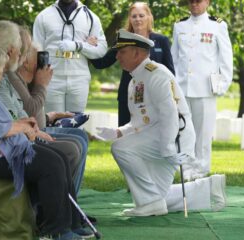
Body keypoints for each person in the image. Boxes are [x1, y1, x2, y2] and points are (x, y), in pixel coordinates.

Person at [0, 42, 87, 240]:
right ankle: (55, 230)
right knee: (51, 165)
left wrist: (20, 122)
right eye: (2, 69)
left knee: (59, 158)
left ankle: (71, 223)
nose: (3, 73)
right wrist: (22, 127)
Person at [96, 29, 226, 217]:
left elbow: (170, 115)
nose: (117, 56)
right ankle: (211, 188)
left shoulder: (156, 74)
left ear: (137, 53)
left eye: (121, 52)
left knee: (121, 149)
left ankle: (150, 203)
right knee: (159, 194)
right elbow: (141, 121)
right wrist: (118, 132)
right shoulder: (135, 80)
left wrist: (167, 149)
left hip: (174, 140)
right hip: (160, 137)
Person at [7, 29, 89, 196]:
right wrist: (42, 85)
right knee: (74, 146)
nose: (43, 62)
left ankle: (69, 199)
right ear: (26, 62)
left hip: (40, 128)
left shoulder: (25, 80)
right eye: (39, 57)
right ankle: (61, 202)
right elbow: (30, 108)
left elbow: (27, 111)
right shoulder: (14, 78)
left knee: (80, 137)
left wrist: (49, 117)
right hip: (26, 135)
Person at [171, 0, 233, 179]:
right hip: (182, 88)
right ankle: (185, 171)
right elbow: (174, 58)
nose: (194, 4)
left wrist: (222, 85)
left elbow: (225, 59)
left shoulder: (217, 26)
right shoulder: (179, 25)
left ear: (208, 2)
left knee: (203, 135)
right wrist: (173, 85)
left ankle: (201, 171)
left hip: (206, 88)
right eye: (191, 1)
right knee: (183, 131)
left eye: (198, 1)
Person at [90, 2, 175, 127]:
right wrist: (91, 48)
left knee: (152, 137)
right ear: (129, 19)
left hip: (154, 97)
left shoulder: (162, 41)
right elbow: (101, 63)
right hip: (128, 96)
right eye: (134, 16)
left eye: (141, 15)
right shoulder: (122, 40)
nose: (138, 19)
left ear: (149, 17)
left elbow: (170, 73)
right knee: (126, 137)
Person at [33, 0, 107, 113]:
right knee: (53, 124)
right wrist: (40, 79)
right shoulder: (43, 16)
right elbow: (37, 50)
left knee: (76, 123)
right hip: (52, 78)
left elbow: (101, 49)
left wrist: (79, 46)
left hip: (79, 77)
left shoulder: (90, 17)